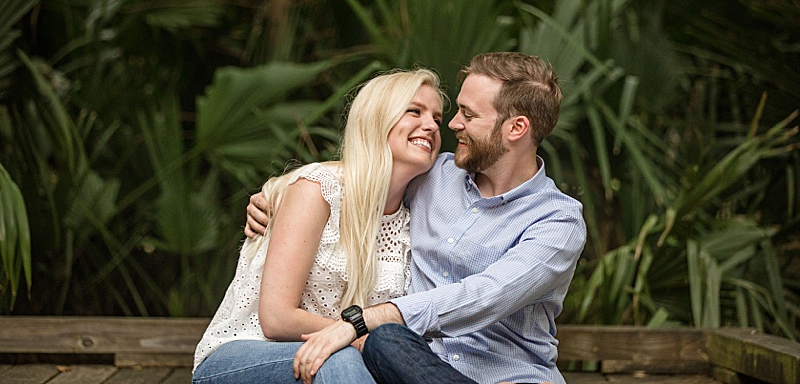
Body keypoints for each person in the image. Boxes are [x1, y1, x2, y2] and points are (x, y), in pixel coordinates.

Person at [247, 52, 587, 384]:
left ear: (516, 128)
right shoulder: (431, 174)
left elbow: (485, 295)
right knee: (386, 342)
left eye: (468, 115)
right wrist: (277, 194)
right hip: (411, 366)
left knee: (383, 335)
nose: (453, 125)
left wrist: (367, 320)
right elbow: (360, 178)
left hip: (508, 377)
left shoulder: (558, 221)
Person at [193, 68, 445, 383]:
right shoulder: (319, 189)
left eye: (437, 118)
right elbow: (276, 319)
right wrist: (355, 335)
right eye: (414, 111)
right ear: (378, 118)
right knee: (335, 355)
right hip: (245, 358)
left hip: (347, 364)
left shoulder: (416, 219)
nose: (431, 126)